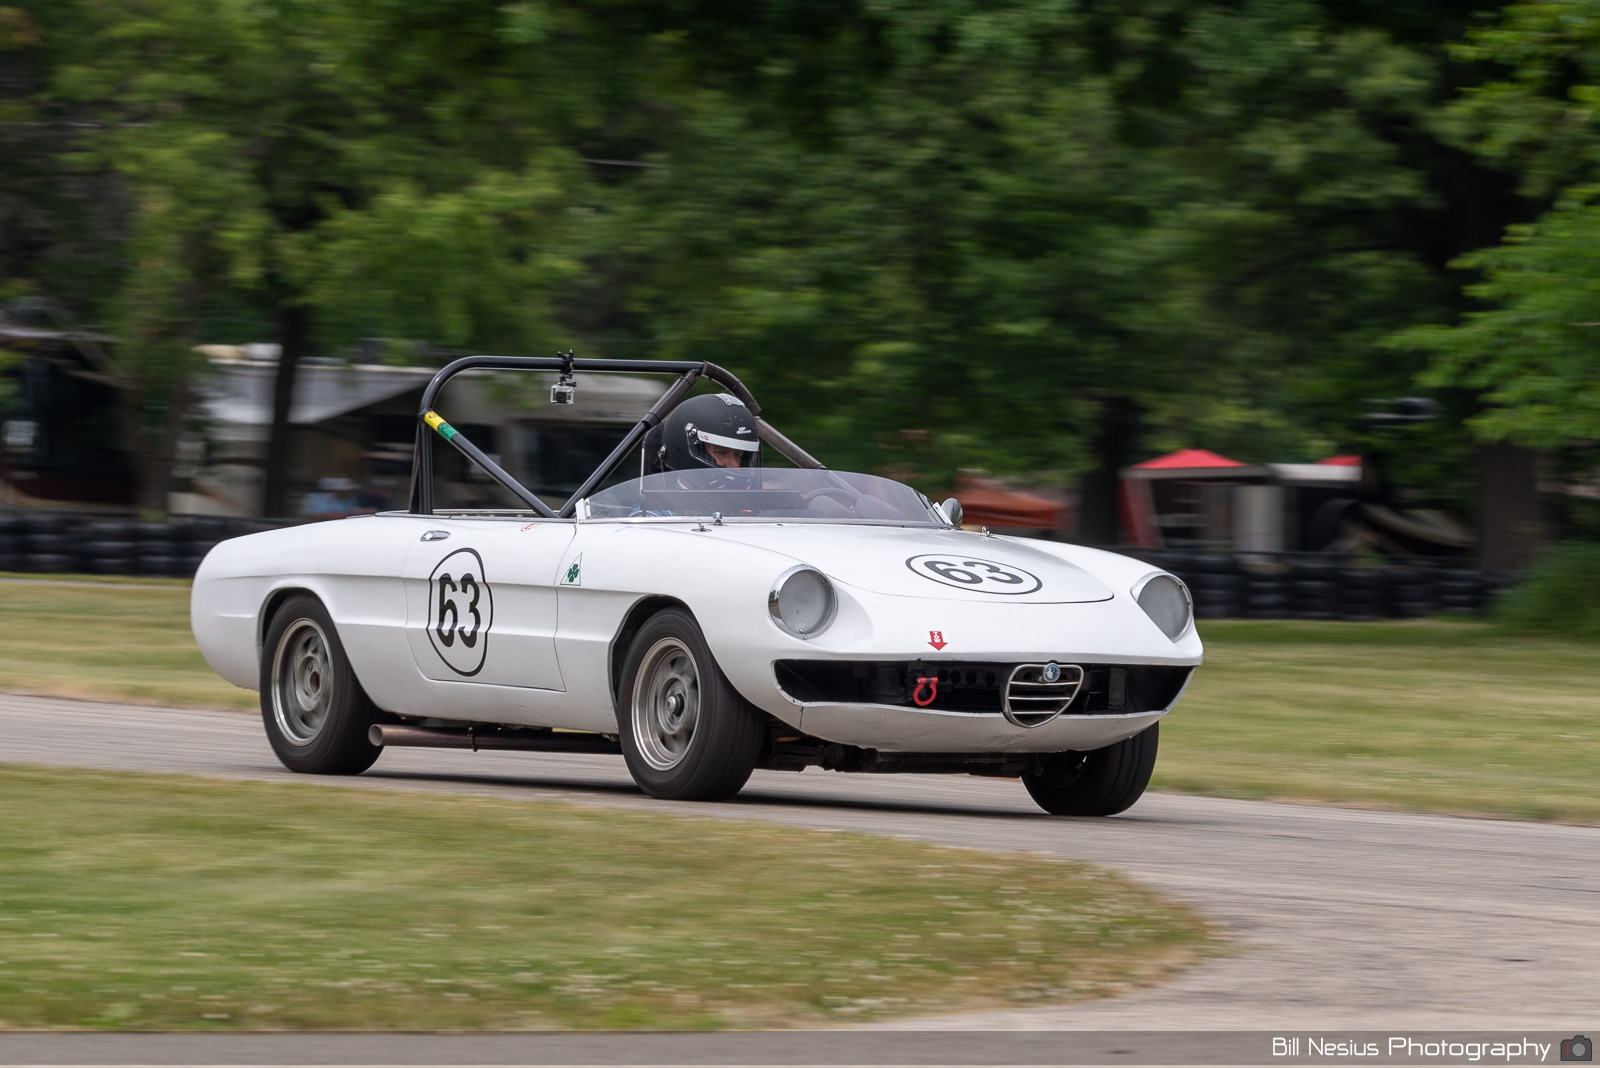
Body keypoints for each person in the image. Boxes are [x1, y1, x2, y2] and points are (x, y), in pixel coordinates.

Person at [646, 392, 761, 475]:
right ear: (682, 449)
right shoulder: (655, 508)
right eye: (721, 452)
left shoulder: (752, 507)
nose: (735, 465)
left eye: (739, 455)